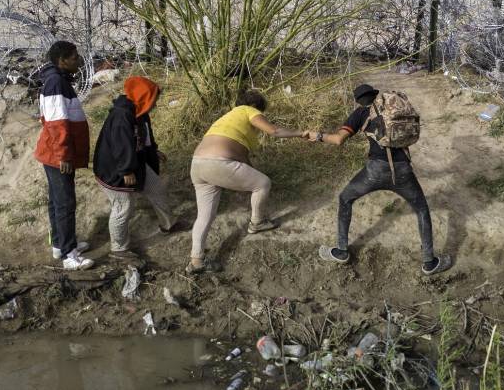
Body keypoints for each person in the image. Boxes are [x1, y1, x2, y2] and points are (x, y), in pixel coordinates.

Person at [305, 84, 452, 276]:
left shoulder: (360, 113)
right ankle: (429, 262)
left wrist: (317, 136)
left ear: (358, 101)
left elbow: (338, 139)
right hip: (403, 171)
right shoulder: (392, 109)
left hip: (374, 172)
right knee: (422, 209)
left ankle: (341, 251)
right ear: (376, 96)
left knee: (345, 198)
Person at [188, 89, 307, 273]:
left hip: (197, 165)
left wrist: (248, 177)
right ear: (254, 106)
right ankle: (257, 222)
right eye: (261, 112)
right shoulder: (247, 110)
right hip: (218, 163)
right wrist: (300, 133)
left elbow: (241, 157)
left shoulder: (226, 120)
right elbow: (274, 131)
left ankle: (196, 260)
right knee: (263, 183)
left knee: (205, 215)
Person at [93, 75, 186, 264]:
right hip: (114, 169)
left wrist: (153, 151)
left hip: (135, 162)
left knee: (156, 188)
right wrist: (126, 170)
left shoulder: (139, 112)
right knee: (123, 207)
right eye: (153, 99)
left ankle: (168, 225)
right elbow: (121, 146)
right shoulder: (121, 116)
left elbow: (144, 137)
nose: (155, 104)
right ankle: (118, 249)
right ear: (144, 98)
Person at [34, 41, 94, 270]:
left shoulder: (57, 80)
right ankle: (70, 255)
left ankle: (60, 244)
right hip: (57, 154)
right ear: (62, 60)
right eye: (74, 57)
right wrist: (64, 155)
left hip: (54, 152)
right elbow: (57, 123)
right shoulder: (56, 82)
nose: (78, 61)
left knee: (57, 201)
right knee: (65, 203)